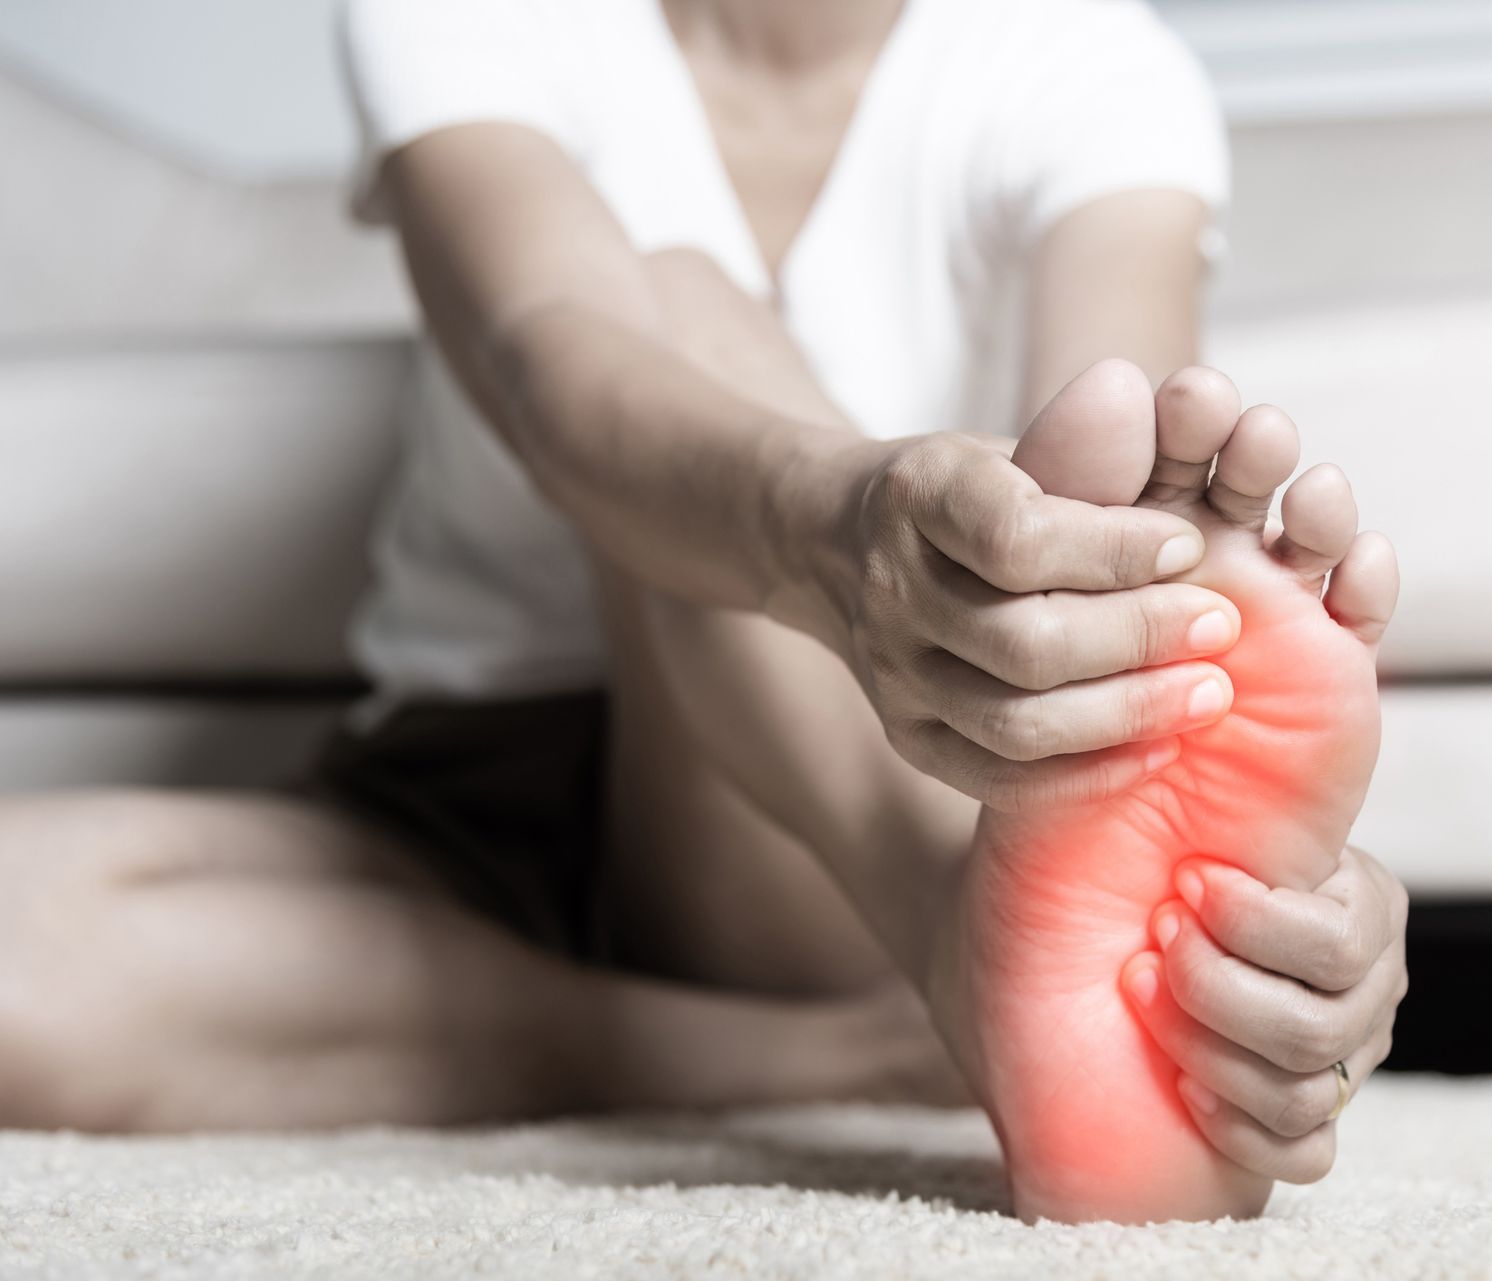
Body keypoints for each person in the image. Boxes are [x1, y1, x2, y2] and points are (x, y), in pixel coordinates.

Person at [0, 0, 1408, 1224]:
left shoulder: (1081, 65)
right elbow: (548, 362)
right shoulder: (478, 16)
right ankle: (912, 1022)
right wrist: (839, 526)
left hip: (808, 803)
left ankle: (977, 917)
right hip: (456, 809)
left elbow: (1130, 498)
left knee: (680, 296)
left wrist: (1276, 930)